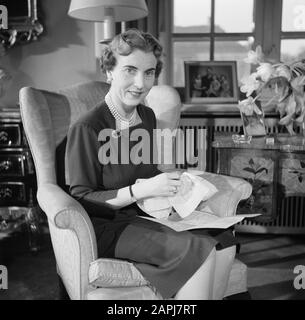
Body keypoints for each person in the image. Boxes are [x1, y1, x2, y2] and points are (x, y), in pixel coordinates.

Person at [66, 29, 236, 300]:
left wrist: (176, 183)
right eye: (130, 70)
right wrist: (141, 190)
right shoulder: (87, 127)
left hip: (142, 215)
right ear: (109, 71)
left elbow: (146, 171)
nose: (140, 83)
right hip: (104, 226)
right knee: (197, 250)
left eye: (149, 72)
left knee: (223, 239)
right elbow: (83, 199)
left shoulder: (146, 115)